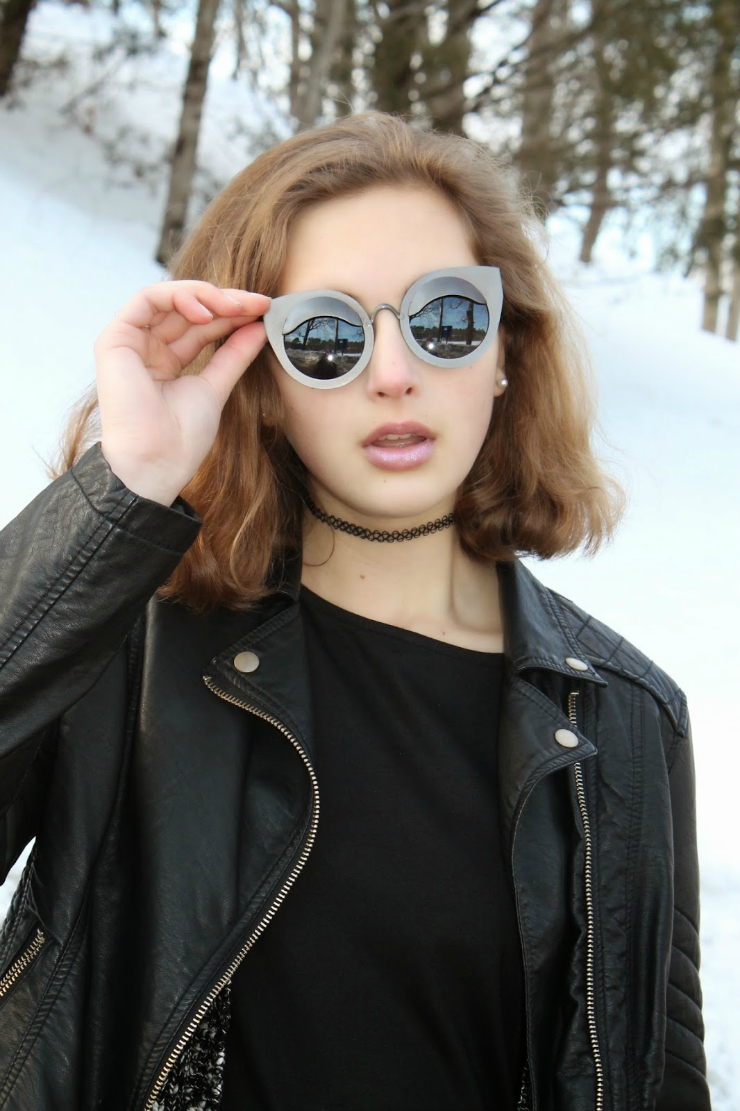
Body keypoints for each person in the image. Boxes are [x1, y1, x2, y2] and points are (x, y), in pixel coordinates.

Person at [0, 111, 710, 1111]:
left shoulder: (629, 720)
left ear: (505, 349)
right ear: (261, 378)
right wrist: (129, 486)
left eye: (445, 316)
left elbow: (649, 1074)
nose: (393, 372)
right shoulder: (129, 642)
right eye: (326, 335)